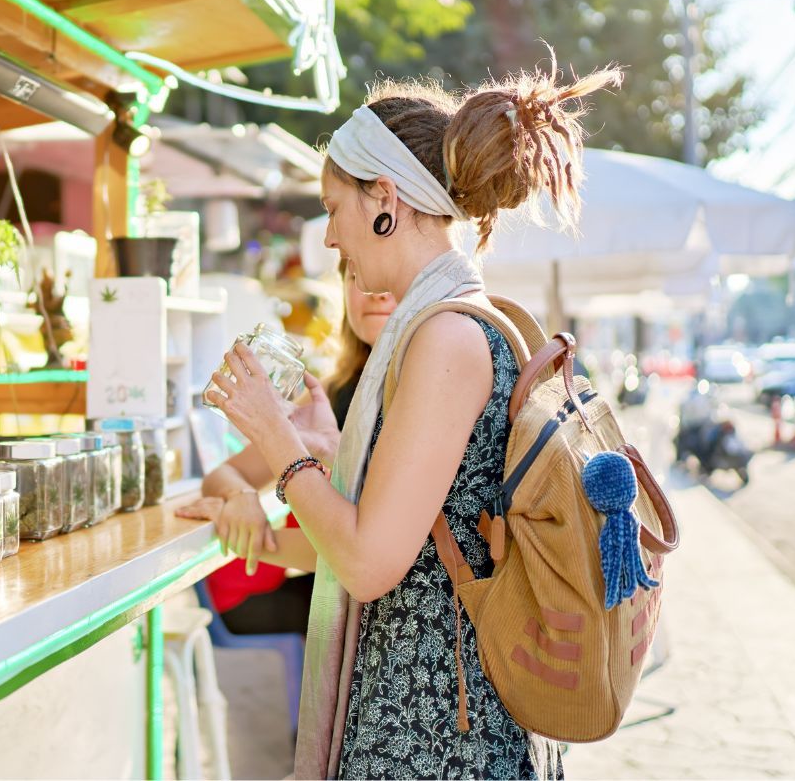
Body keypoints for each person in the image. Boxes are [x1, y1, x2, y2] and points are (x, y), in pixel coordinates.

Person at [205, 64, 621, 780]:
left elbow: (369, 565)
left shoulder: (446, 339)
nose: (331, 238)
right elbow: (411, 555)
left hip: (436, 737)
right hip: (438, 720)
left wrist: (277, 440)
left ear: (385, 201)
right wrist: (285, 500)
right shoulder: (452, 324)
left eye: (334, 208)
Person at [177, 260, 394, 635]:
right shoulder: (327, 396)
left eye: (391, 274)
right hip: (333, 595)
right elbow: (223, 475)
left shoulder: (423, 397)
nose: (376, 291)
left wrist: (254, 538)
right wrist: (242, 496)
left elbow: (371, 552)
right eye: (356, 275)